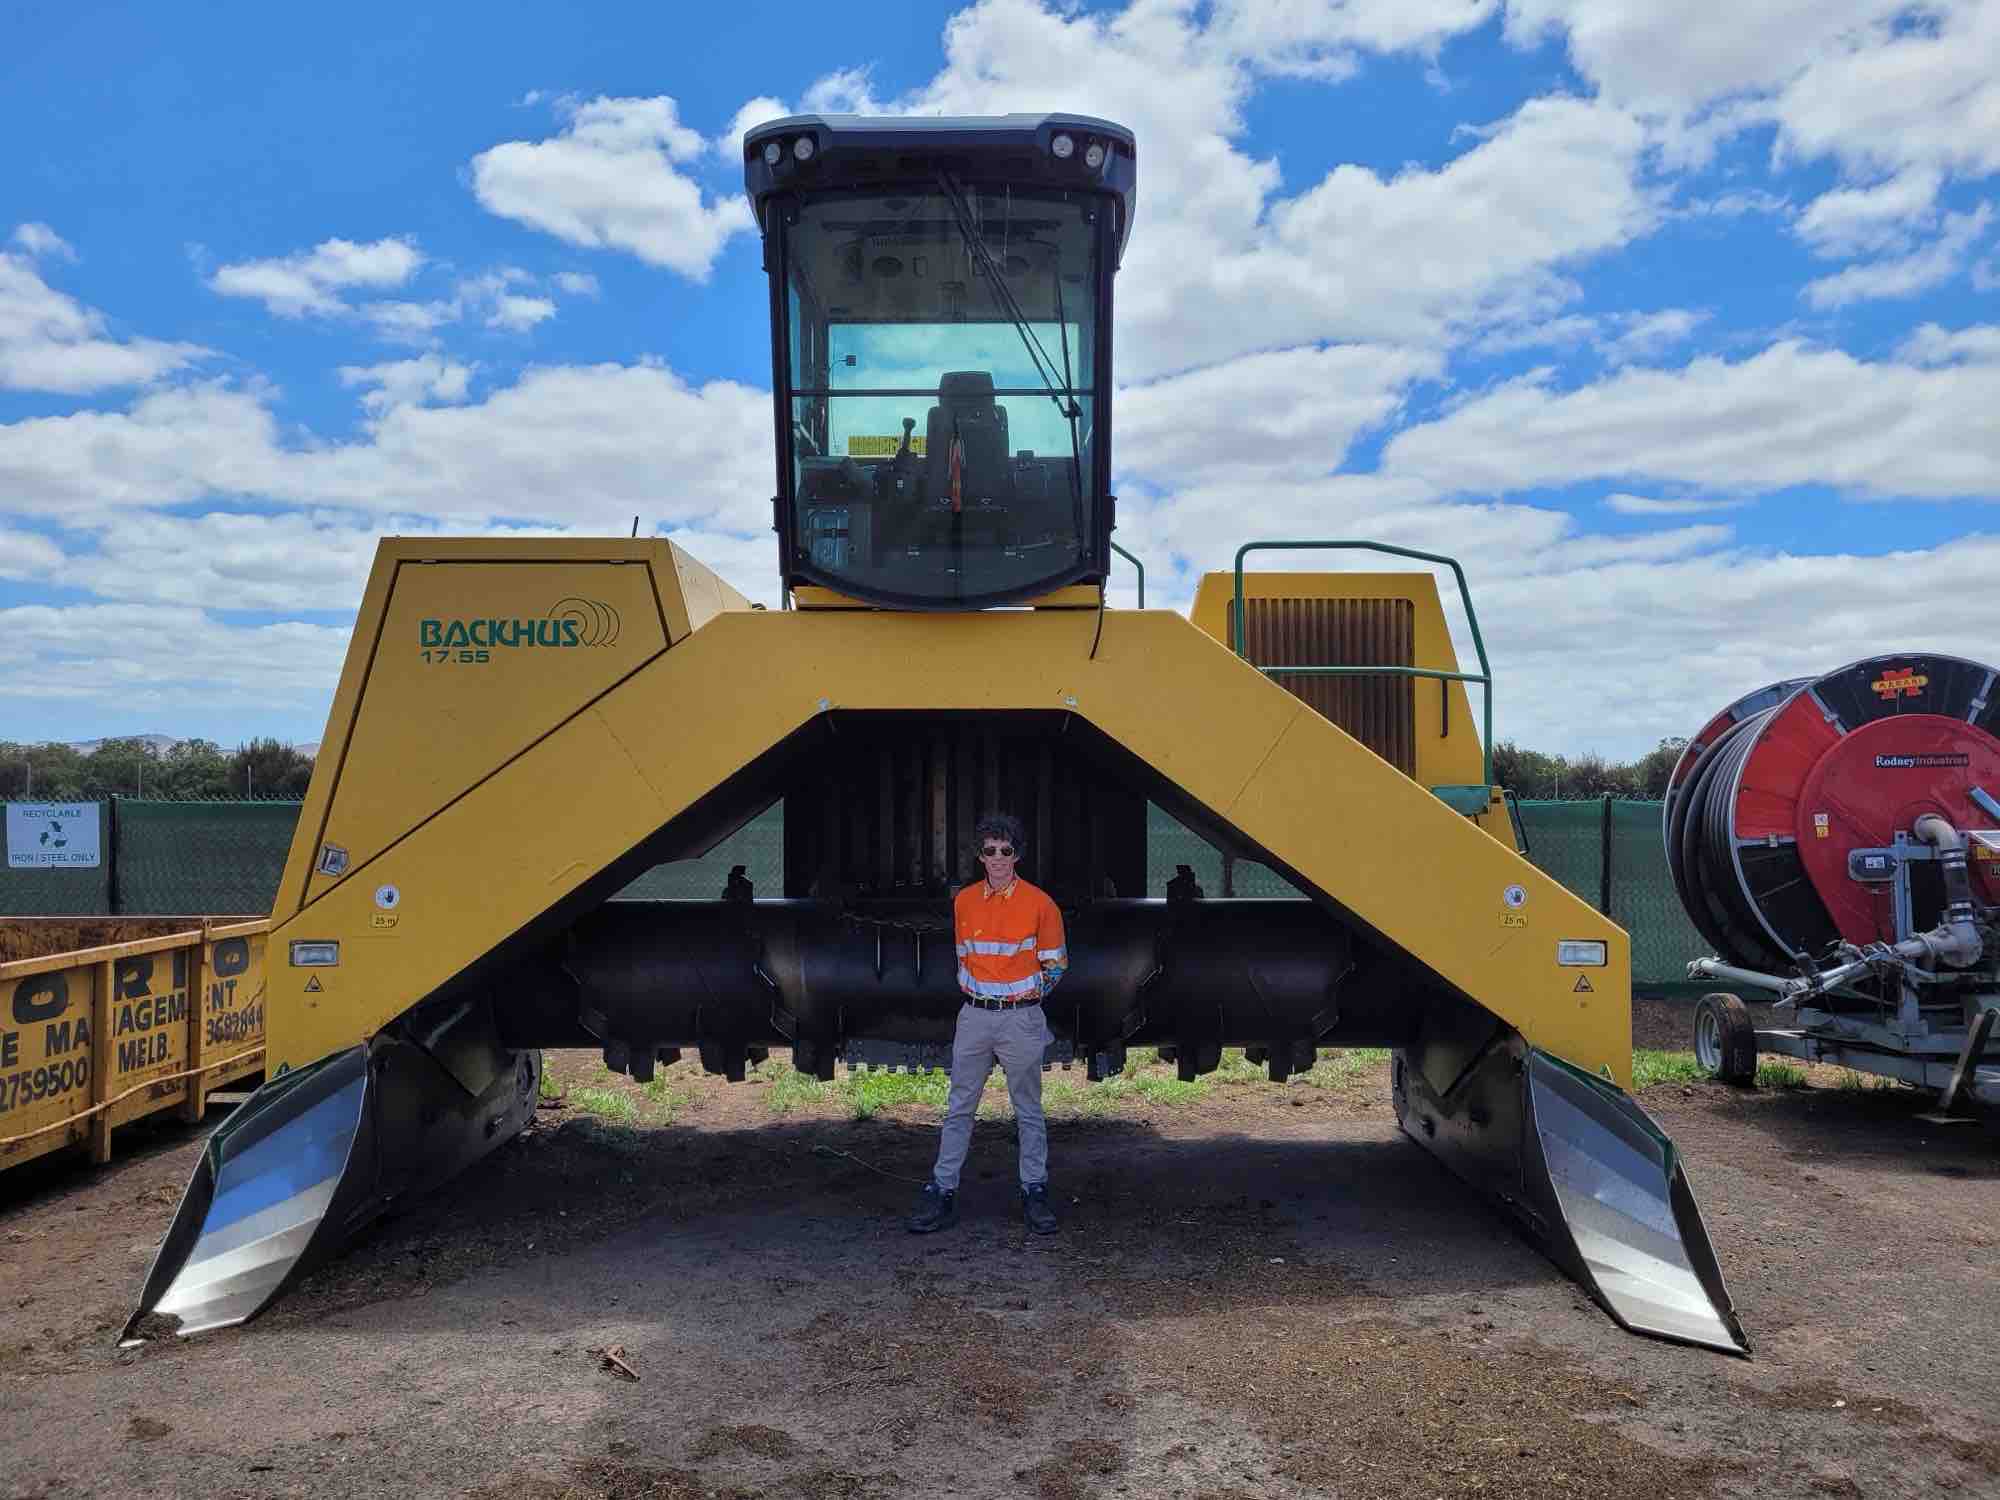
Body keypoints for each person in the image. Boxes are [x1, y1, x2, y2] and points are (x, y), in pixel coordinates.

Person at [908, 812, 1067, 1235]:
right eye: (989, 851)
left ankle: (1035, 1190)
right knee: (959, 1108)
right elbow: (965, 955)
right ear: (980, 856)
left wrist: (1024, 1002)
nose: (997, 858)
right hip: (975, 1017)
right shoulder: (964, 902)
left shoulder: (1041, 904)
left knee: (1028, 1111)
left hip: (1020, 1018)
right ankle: (942, 1191)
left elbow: (1055, 967)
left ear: (1018, 855)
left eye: (1006, 851)